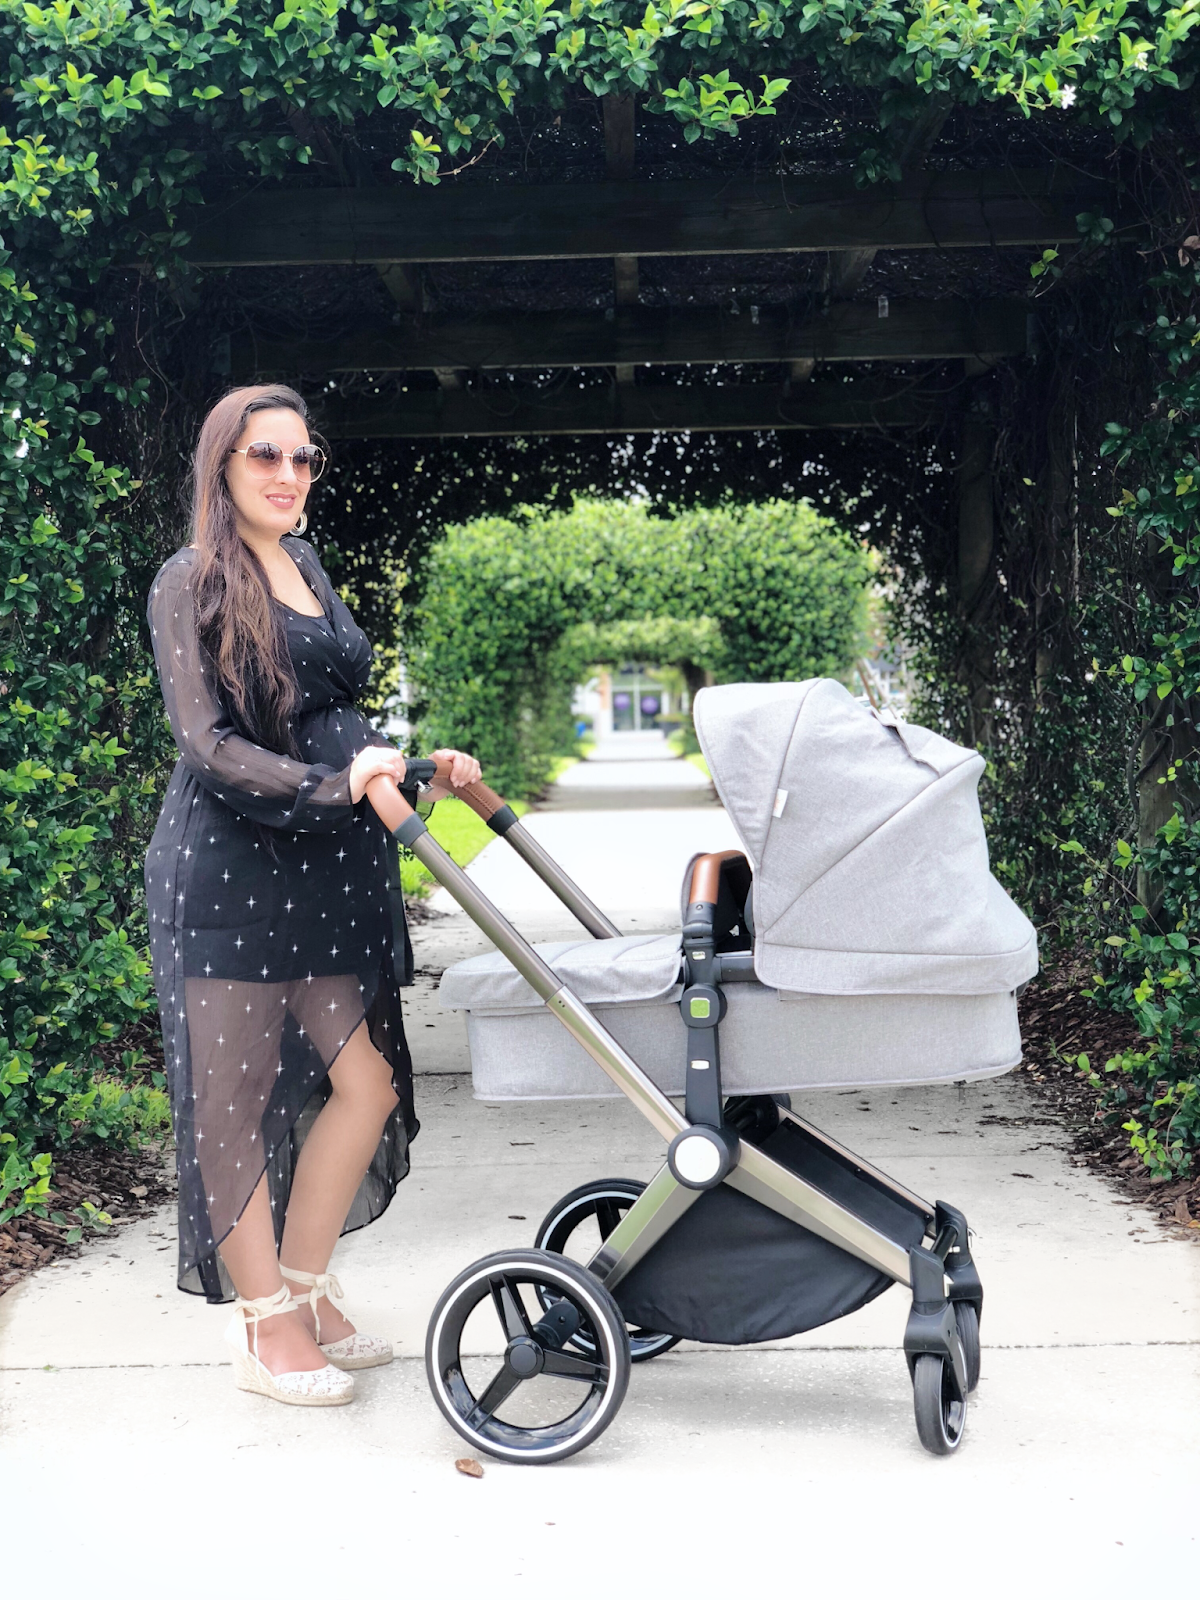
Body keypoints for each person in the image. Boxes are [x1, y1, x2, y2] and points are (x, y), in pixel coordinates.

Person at [144, 384, 480, 1406]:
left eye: (302, 458)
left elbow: (328, 714)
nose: (289, 475)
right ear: (223, 467)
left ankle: (302, 1280)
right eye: (266, 457)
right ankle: (265, 1327)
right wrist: (334, 785)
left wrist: (414, 766)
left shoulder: (308, 565)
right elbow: (207, 745)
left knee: (366, 1085)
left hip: (327, 866)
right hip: (235, 871)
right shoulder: (188, 579)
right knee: (234, 1099)